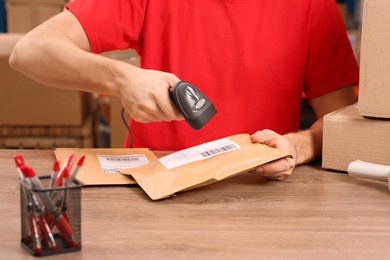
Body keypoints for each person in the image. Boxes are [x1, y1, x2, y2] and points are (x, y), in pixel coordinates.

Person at [9, 0, 359, 180]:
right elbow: (30, 51)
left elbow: (342, 124)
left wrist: (300, 145)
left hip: (262, 191)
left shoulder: (312, 5)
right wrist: (121, 78)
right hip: (155, 194)